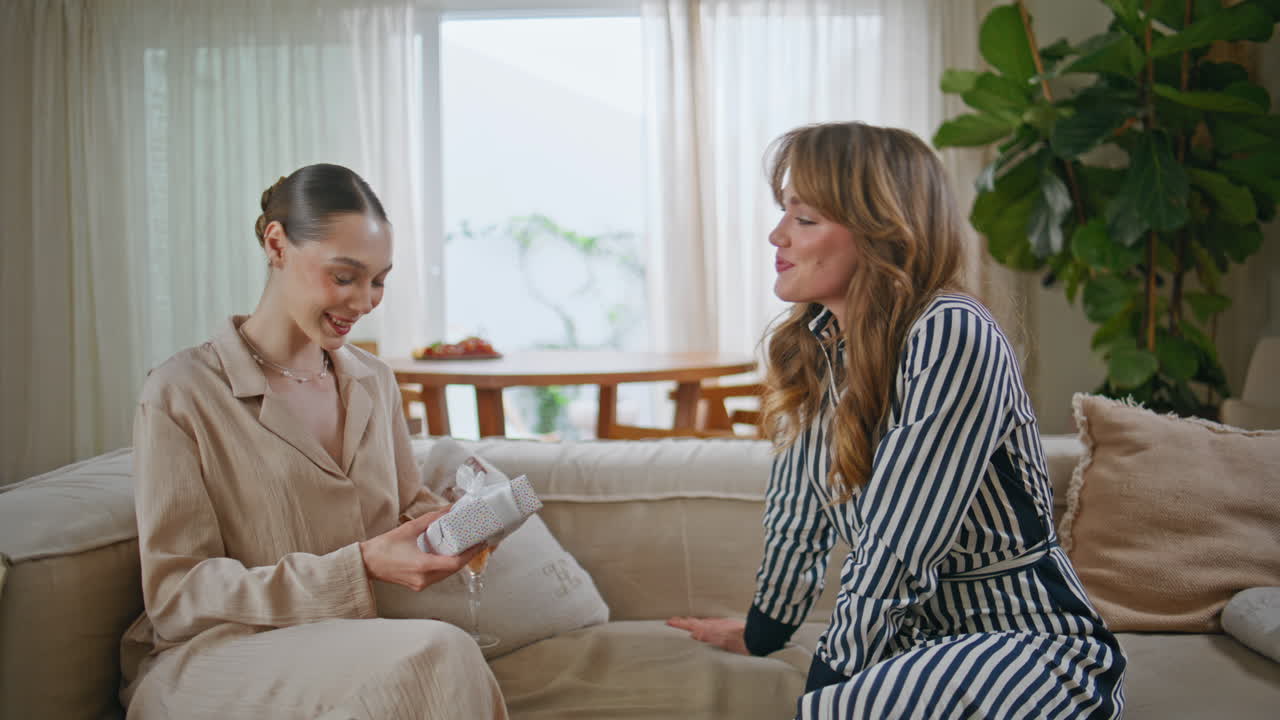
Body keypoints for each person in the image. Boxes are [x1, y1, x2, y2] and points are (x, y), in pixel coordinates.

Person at [668, 123, 1127, 719]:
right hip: (913, 645)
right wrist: (762, 632)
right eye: (784, 212)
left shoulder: (951, 332)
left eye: (805, 219)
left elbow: (898, 544)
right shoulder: (817, 348)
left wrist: (825, 690)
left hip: (1030, 645)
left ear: (881, 231)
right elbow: (798, 515)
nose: (777, 234)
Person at [119, 164, 509, 719]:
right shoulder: (181, 392)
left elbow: (403, 509)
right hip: (223, 655)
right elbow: (178, 596)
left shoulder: (373, 381)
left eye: (378, 280)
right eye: (345, 277)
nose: (366, 301)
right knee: (440, 651)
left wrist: (464, 521)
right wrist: (360, 566)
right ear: (277, 245)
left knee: (435, 655)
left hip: (347, 647)